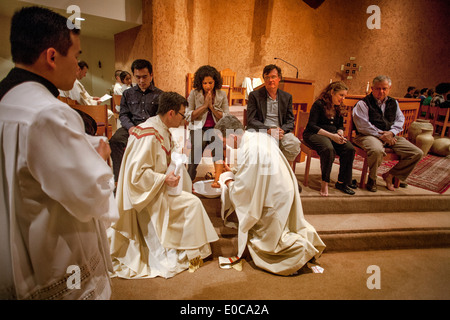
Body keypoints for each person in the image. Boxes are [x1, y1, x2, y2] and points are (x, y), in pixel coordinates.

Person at [0, 6, 118, 300]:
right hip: (54, 250)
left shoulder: (8, 98)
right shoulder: (49, 112)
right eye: (76, 55)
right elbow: (89, 193)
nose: (78, 65)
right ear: (52, 56)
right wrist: (99, 158)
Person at [109, 92, 219, 279]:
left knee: (191, 201)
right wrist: (163, 179)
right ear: (170, 113)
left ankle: (192, 251)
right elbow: (136, 176)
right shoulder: (149, 135)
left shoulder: (158, 127)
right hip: (146, 197)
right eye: (182, 114)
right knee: (193, 204)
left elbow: (164, 154)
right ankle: (190, 253)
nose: (183, 119)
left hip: (154, 189)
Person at [214, 115, 325, 276]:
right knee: (286, 227)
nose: (227, 146)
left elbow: (245, 189)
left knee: (268, 241)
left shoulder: (249, 149)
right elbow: (252, 171)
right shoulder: (258, 137)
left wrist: (229, 181)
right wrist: (234, 172)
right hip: (283, 189)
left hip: (274, 198)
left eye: (225, 142)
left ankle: (301, 250)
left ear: (232, 136)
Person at [352, 75, 423, 192]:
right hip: (367, 135)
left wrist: (391, 133)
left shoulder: (393, 102)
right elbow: (363, 125)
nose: (381, 91)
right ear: (372, 89)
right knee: (376, 150)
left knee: (416, 153)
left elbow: (400, 120)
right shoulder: (363, 103)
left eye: (384, 88)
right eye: (378, 88)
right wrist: (382, 135)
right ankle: (372, 179)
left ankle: (390, 175)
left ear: (389, 88)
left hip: (389, 136)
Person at [109, 59, 163, 182]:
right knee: (115, 141)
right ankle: (120, 179)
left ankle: (150, 179)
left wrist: (150, 129)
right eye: (137, 77)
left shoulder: (160, 95)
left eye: (144, 77)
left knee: (152, 143)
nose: (141, 81)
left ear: (151, 75)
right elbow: (123, 115)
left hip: (151, 128)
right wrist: (131, 128)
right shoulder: (127, 94)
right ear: (133, 76)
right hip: (132, 126)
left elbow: (161, 118)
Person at [303, 81, 356, 196]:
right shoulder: (319, 104)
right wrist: (332, 136)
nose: (343, 98)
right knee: (328, 148)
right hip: (314, 134)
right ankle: (324, 183)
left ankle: (342, 182)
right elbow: (312, 125)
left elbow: (340, 125)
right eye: (341, 95)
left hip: (332, 135)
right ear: (332, 92)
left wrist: (340, 132)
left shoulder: (339, 106)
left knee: (349, 149)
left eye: (344, 96)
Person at [246, 64, 300, 168]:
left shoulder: (287, 97)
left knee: (293, 143)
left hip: (280, 131)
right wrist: (268, 130)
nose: (270, 80)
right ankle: (266, 177)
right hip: (262, 130)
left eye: (273, 77)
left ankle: (286, 174)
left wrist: (281, 130)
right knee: (263, 147)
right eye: (267, 77)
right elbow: (251, 120)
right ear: (264, 79)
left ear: (279, 78)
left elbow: (290, 121)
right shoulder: (254, 95)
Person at [186, 65, 229, 186]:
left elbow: (226, 117)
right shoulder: (194, 94)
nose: (208, 86)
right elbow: (188, 116)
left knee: (218, 144)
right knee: (198, 145)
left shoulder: (222, 95)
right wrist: (204, 106)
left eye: (210, 82)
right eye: (204, 83)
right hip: (198, 128)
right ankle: (189, 177)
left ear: (216, 81)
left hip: (216, 128)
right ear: (200, 83)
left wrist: (212, 108)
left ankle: (218, 179)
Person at [61, 60, 117, 134]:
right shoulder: (74, 83)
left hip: (82, 108)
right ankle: (112, 135)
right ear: (78, 70)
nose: (85, 75)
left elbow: (83, 97)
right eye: (85, 72)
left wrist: (92, 98)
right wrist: (96, 102)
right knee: (110, 114)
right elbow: (81, 101)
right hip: (85, 111)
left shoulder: (74, 82)